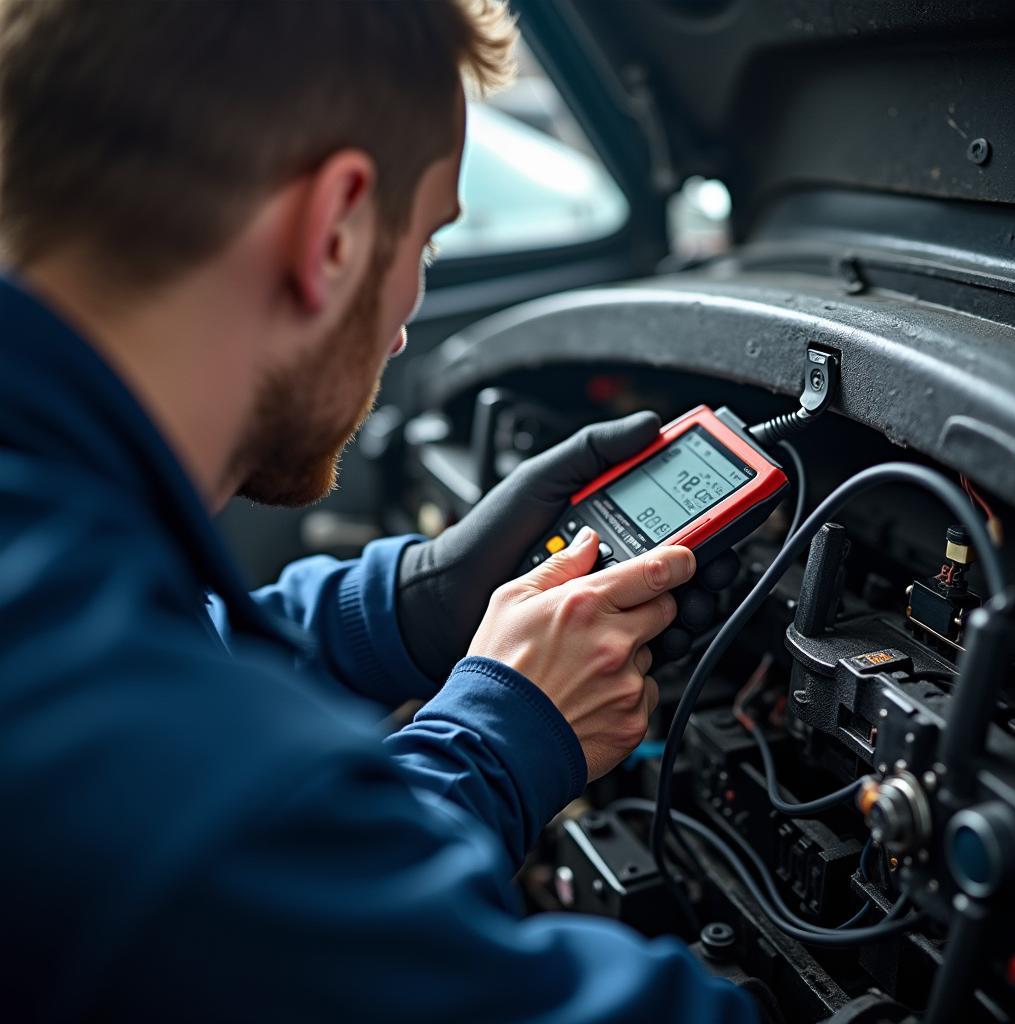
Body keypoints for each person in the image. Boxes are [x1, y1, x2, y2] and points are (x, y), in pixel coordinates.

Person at [0, 1, 757, 1021]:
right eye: (431, 239)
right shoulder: (185, 801)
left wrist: (410, 602)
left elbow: (162, 645)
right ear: (337, 230)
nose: (404, 324)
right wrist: (496, 739)